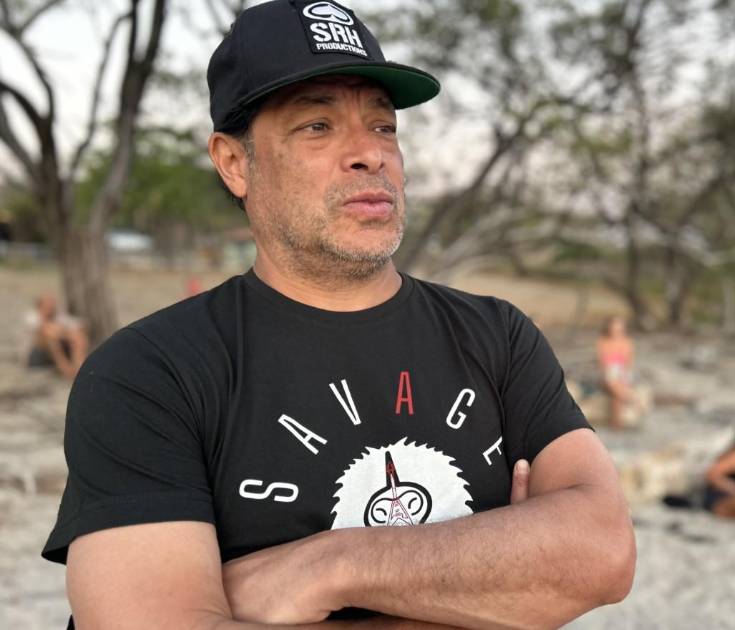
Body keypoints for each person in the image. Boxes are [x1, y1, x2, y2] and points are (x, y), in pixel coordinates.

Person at [43, 2, 635, 629]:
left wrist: (329, 565)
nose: (369, 154)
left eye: (383, 126)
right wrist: (497, 589)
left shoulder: (497, 336)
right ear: (234, 163)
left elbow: (603, 551)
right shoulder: (150, 373)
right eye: (317, 126)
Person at [26, 293, 89, 379]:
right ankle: (67, 371)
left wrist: (67, 334)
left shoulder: (59, 317)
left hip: (60, 346)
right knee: (51, 340)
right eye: (48, 304)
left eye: (52, 304)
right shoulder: (33, 317)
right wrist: (64, 333)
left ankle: (79, 368)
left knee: (78, 338)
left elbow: (79, 326)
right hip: (38, 352)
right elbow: (44, 330)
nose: (51, 307)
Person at [596, 315, 638, 429]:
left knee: (616, 394)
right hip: (608, 372)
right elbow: (602, 363)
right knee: (613, 382)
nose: (616, 329)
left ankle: (615, 424)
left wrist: (622, 374)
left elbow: (628, 363)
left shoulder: (627, 342)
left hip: (622, 372)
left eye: (619, 327)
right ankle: (632, 398)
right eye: (614, 326)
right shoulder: (603, 341)